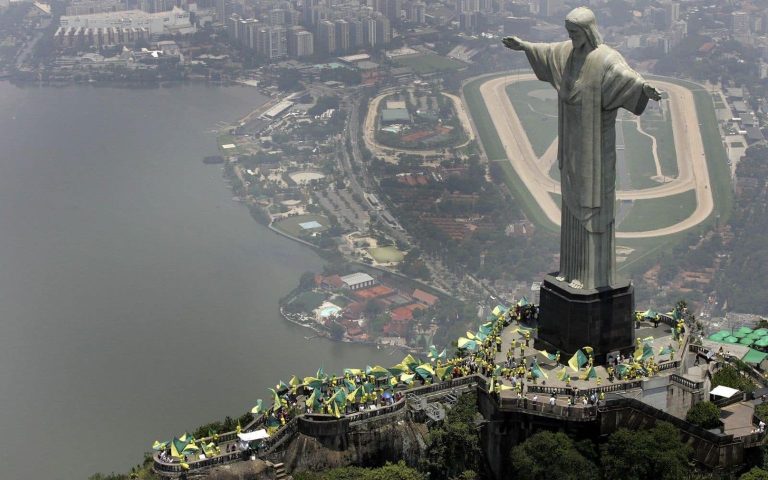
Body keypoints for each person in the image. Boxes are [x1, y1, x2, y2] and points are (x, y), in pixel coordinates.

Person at [502, 7, 662, 289]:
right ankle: (570, 271)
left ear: (588, 31)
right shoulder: (566, 53)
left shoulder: (604, 59)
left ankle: (592, 277)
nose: (571, 37)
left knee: (593, 208)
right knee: (571, 210)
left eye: (575, 32)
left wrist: (644, 89)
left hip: (595, 150)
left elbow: (626, 77)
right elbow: (547, 52)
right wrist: (524, 46)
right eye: (569, 32)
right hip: (573, 146)